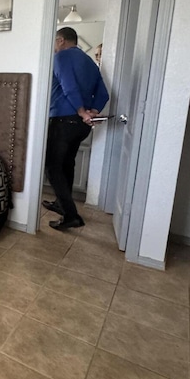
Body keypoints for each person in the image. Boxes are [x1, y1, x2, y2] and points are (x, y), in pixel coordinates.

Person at [44, 27, 109, 231]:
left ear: (61, 40)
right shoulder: (89, 61)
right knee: (67, 165)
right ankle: (61, 204)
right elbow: (104, 93)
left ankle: (71, 215)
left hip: (64, 121)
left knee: (53, 168)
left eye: (54, 42)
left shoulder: (61, 57)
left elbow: (68, 86)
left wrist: (82, 111)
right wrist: (92, 112)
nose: (54, 46)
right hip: (80, 126)